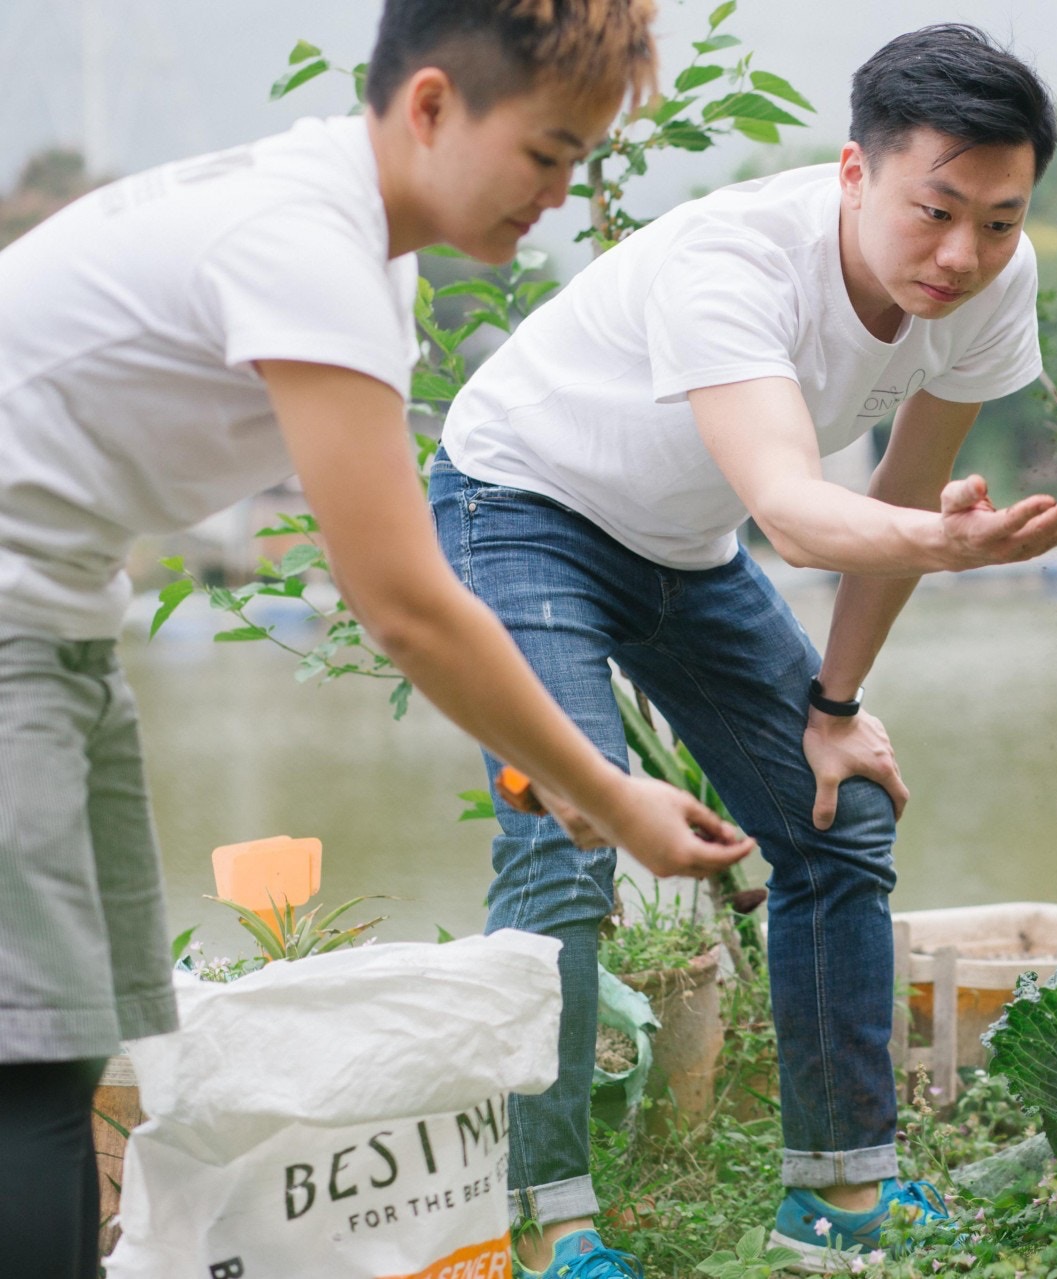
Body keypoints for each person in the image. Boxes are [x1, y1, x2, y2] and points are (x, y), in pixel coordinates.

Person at [0, 4, 752, 1276]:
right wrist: (607, 789)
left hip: (61, 619)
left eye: (578, 162)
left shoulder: (356, 244)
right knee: (23, 1067)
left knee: (61, 1047)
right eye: (547, 154)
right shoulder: (308, 245)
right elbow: (402, 600)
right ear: (432, 105)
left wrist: (567, 770)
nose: (557, 196)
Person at [433, 23, 1057, 1275]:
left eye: (1000, 221)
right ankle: (547, 1226)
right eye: (935, 212)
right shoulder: (735, 261)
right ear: (855, 173)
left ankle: (837, 1201)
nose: (962, 255)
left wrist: (836, 705)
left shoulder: (990, 284)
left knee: (838, 811)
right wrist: (949, 543)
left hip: (679, 545)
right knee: (567, 830)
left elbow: (905, 496)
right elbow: (797, 513)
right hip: (519, 504)